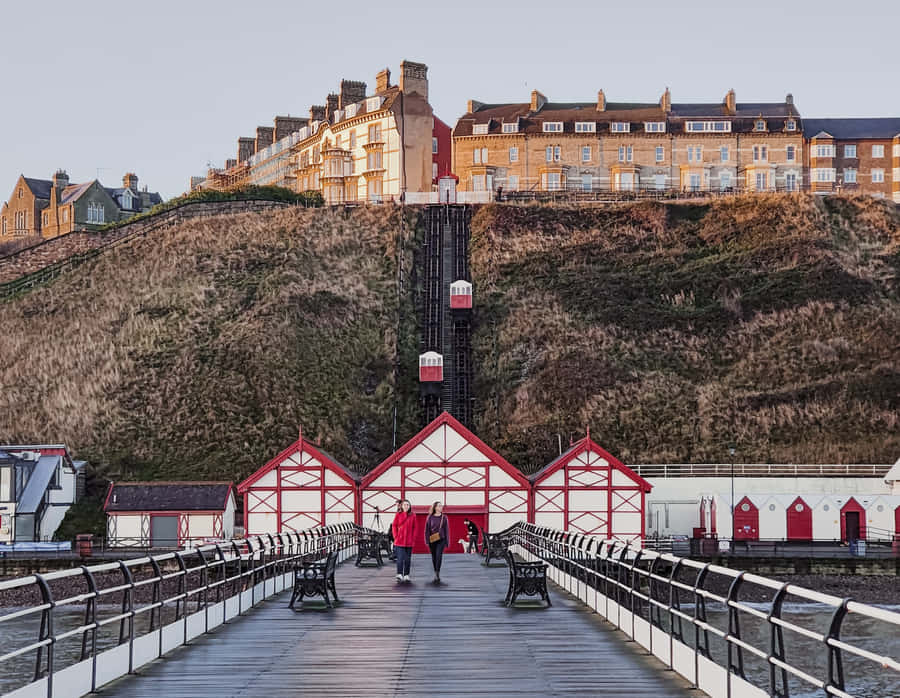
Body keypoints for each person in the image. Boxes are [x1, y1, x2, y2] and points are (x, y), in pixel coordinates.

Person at [424, 501, 449, 583]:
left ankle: (437, 573)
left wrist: (447, 542)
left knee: (439, 555)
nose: (441, 507)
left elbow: (446, 530)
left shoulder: (444, 517)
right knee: (434, 556)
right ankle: (435, 570)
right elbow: (427, 529)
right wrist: (427, 540)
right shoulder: (430, 517)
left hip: (441, 539)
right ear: (435, 507)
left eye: (441, 506)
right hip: (432, 540)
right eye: (439, 506)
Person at [391, 499, 416, 582]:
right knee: (400, 558)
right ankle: (399, 574)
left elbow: (415, 528)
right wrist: (395, 536)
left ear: (410, 506)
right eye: (404, 505)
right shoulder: (398, 514)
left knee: (408, 559)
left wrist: (413, 538)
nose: (406, 506)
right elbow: (394, 525)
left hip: (409, 541)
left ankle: (406, 574)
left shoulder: (413, 515)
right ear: (401, 506)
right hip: (399, 541)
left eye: (408, 505)